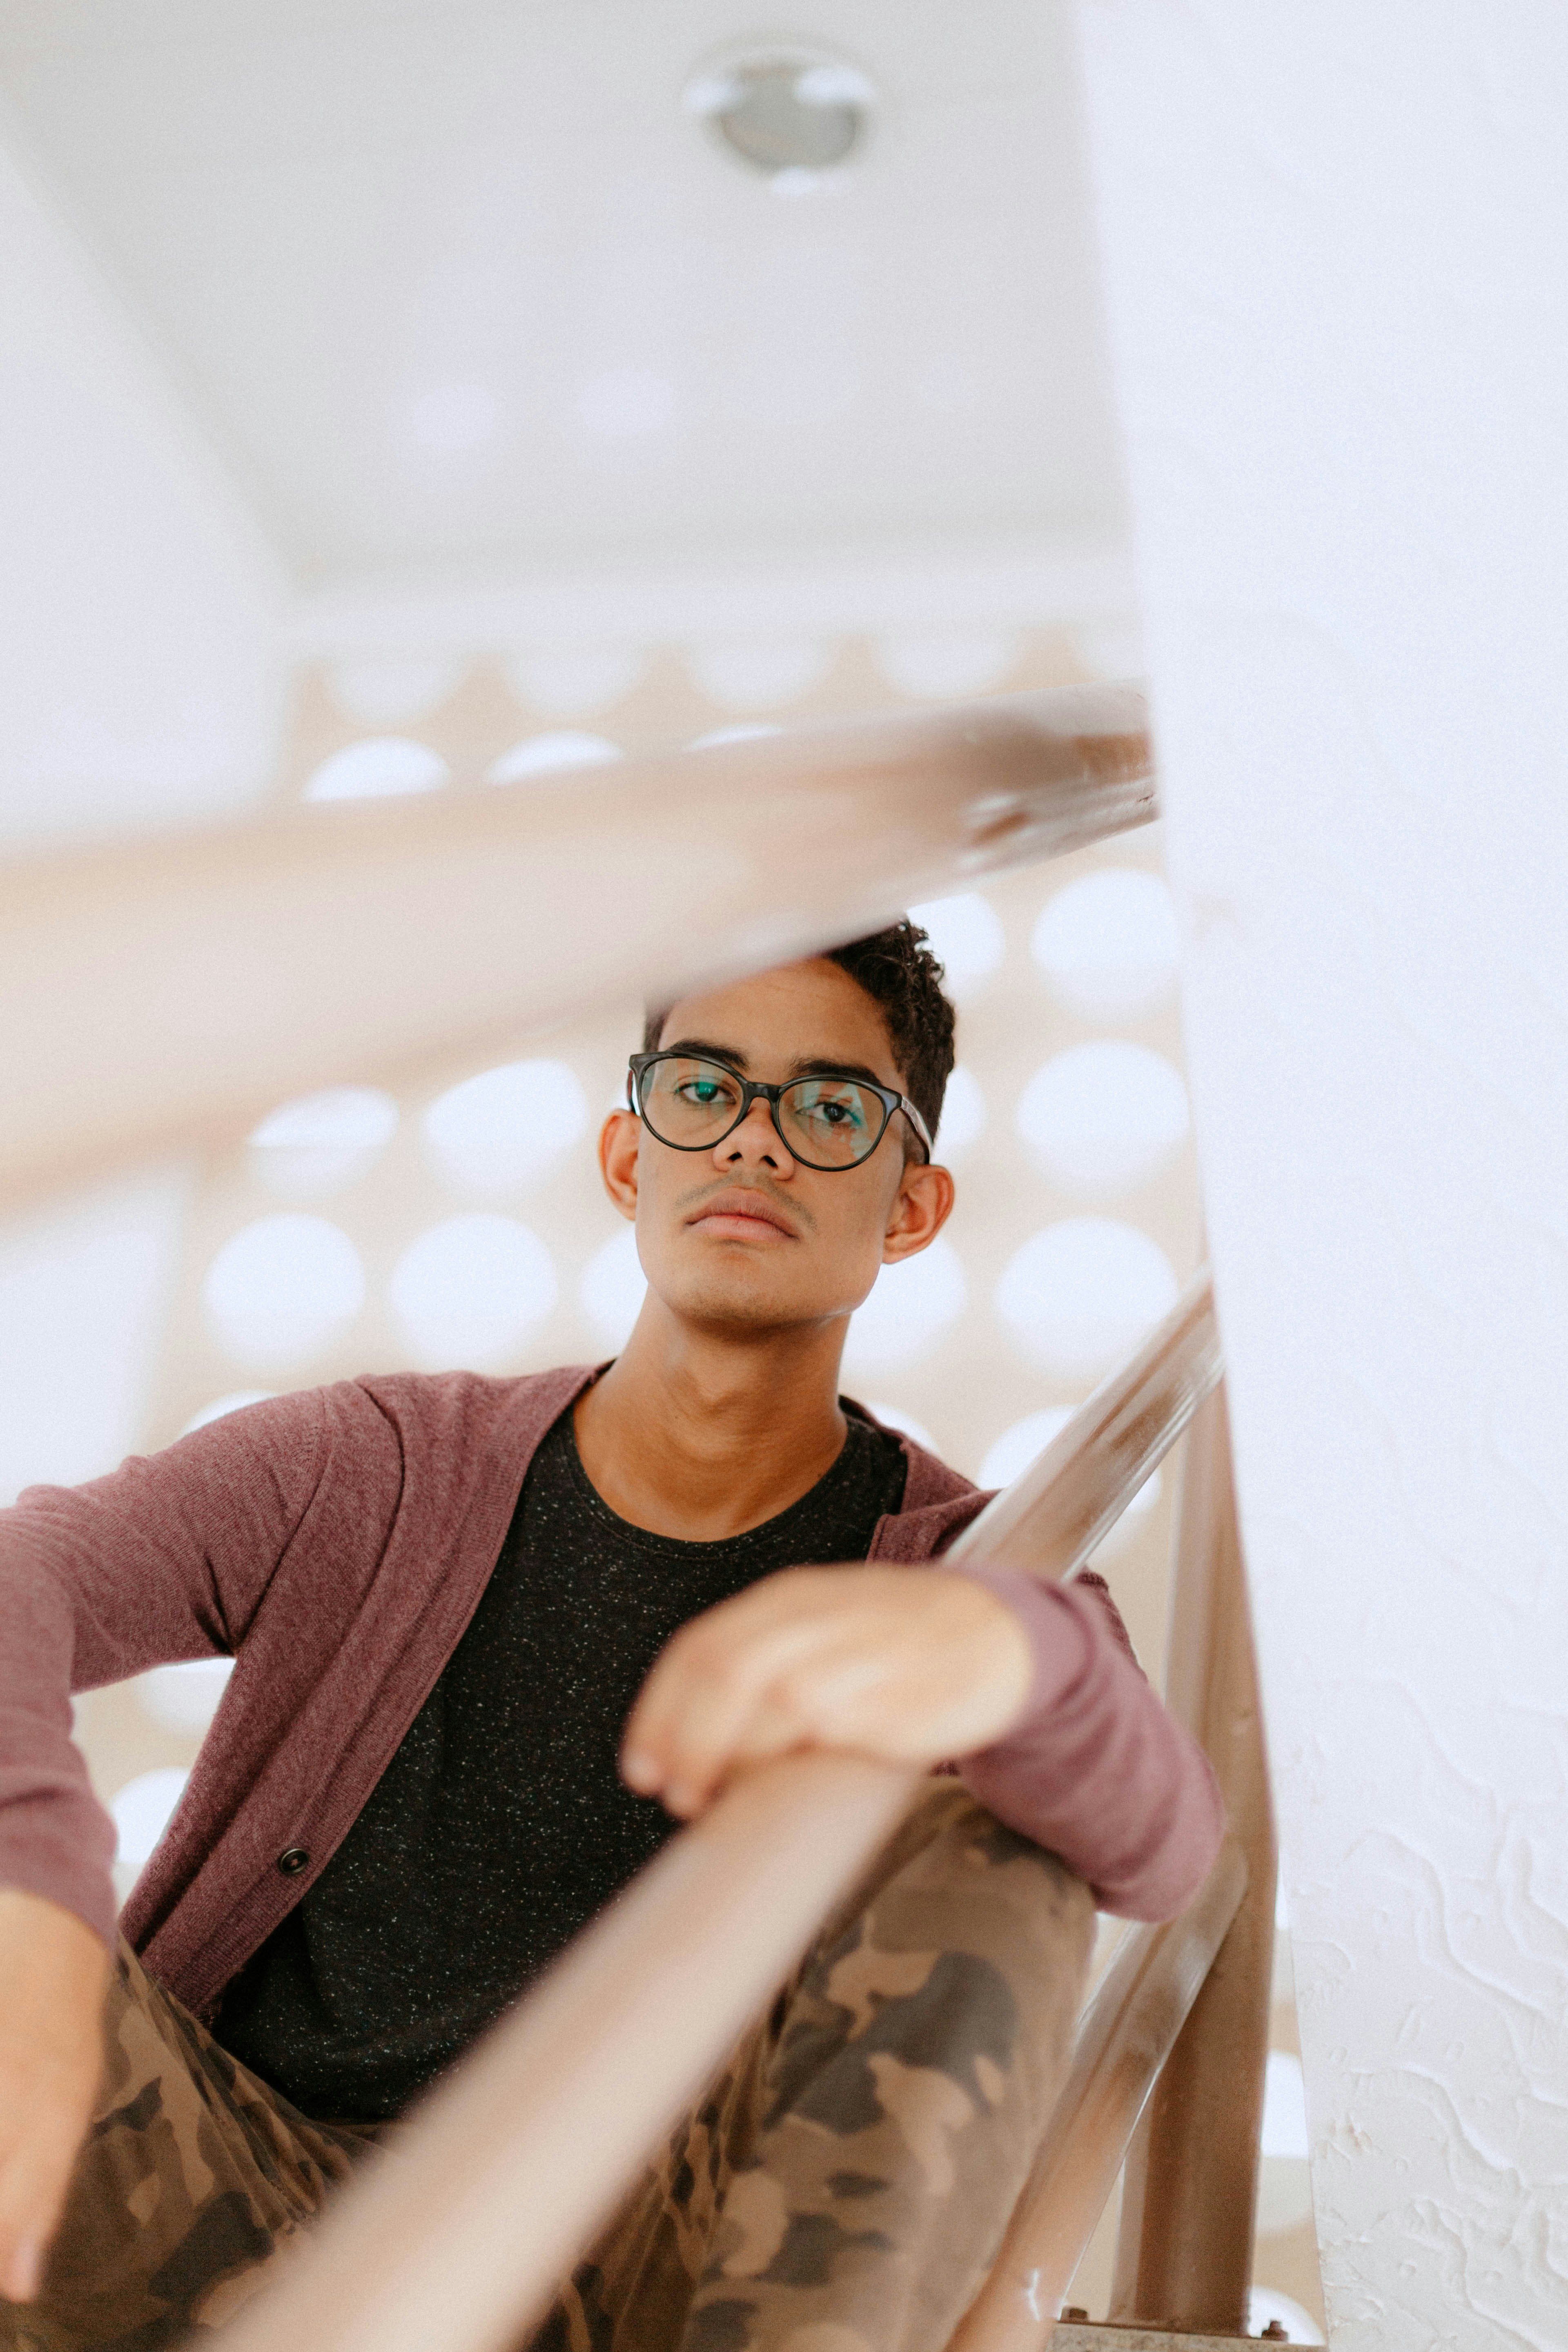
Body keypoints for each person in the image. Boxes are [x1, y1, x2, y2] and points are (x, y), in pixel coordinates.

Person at [0, 922, 1222, 2352]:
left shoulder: (960, 1572)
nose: (756, 1144)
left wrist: (1024, 1656)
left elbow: (1170, 1852)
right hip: (238, 2211)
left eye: (833, 1110)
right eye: (705, 1088)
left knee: (1005, 1843)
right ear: (633, 1159)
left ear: (912, 1207)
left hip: (664, 2266)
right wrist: (35, 1902)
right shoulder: (376, 1465)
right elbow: (27, 1577)